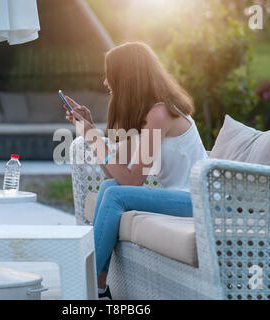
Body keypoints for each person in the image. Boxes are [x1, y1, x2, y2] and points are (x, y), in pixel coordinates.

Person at [63, 42, 207, 300]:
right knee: (109, 189)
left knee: (116, 194)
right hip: (181, 196)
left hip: (198, 200)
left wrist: (93, 137)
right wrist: (91, 129)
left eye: (110, 74)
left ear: (126, 78)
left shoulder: (160, 113)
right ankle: (97, 287)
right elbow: (115, 176)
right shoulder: (145, 115)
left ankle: (83, 287)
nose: (106, 81)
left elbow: (132, 181)